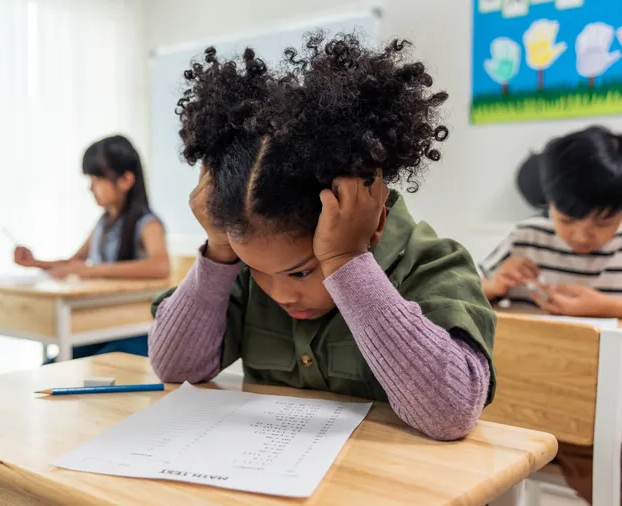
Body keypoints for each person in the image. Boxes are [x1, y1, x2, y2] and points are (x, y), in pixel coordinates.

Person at [148, 32, 496, 442]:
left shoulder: (432, 264)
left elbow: (450, 415)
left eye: (299, 273)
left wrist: (346, 261)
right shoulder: (243, 268)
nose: (280, 294)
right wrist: (221, 250)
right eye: (258, 270)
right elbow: (175, 369)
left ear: (373, 219)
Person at [480, 125, 622, 503]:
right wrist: (495, 284)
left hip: (603, 410)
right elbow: (465, 293)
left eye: (603, 222)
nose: (581, 235)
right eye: (568, 218)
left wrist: (606, 307)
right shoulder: (529, 236)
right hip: (526, 400)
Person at [14, 135, 170, 359]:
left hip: (135, 331)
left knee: (84, 364)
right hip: (103, 328)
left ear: (126, 180)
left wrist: (91, 270)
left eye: (97, 179)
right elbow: (75, 262)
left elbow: (160, 266)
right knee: (52, 364)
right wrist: (35, 262)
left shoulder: (148, 224)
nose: (91, 187)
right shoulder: (103, 223)